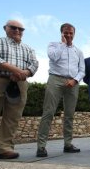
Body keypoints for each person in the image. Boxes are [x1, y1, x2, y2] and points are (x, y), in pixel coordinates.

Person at [0, 20, 39, 161]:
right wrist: (16, 70)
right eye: (13, 28)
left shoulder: (28, 48)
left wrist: (24, 73)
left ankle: (5, 149)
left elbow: (34, 64)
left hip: (20, 83)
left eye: (21, 29)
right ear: (5, 28)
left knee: (13, 118)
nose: (17, 31)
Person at [36, 23, 85, 157]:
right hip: (55, 79)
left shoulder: (78, 51)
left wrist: (75, 80)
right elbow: (54, 57)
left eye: (71, 33)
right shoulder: (53, 45)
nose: (68, 35)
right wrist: (63, 44)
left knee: (69, 115)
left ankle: (68, 144)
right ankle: (41, 147)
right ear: (61, 33)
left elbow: (82, 70)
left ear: (74, 34)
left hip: (73, 82)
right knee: (48, 112)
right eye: (65, 33)